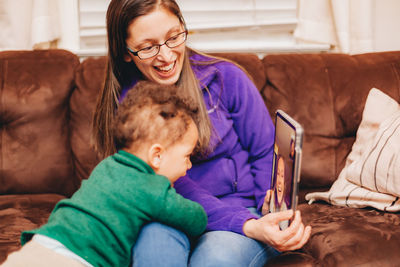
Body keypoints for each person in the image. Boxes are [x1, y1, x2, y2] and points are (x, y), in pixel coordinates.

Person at [93, 0, 312, 266]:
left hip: (240, 213)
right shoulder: (129, 109)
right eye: (148, 47)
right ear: (126, 52)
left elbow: (266, 151)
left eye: (174, 37)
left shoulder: (226, 78)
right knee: (155, 252)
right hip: (168, 210)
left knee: (215, 259)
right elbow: (173, 186)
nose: (166, 56)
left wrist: (268, 207)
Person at [1, 81, 207, 267]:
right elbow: (195, 219)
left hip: (41, 243)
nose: (188, 165)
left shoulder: (107, 166)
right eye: (187, 156)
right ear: (157, 156)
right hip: (76, 259)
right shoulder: (152, 188)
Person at [269, 155, 292, 230]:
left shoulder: (286, 205)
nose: (279, 180)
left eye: (282, 176)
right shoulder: (271, 196)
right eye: (277, 174)